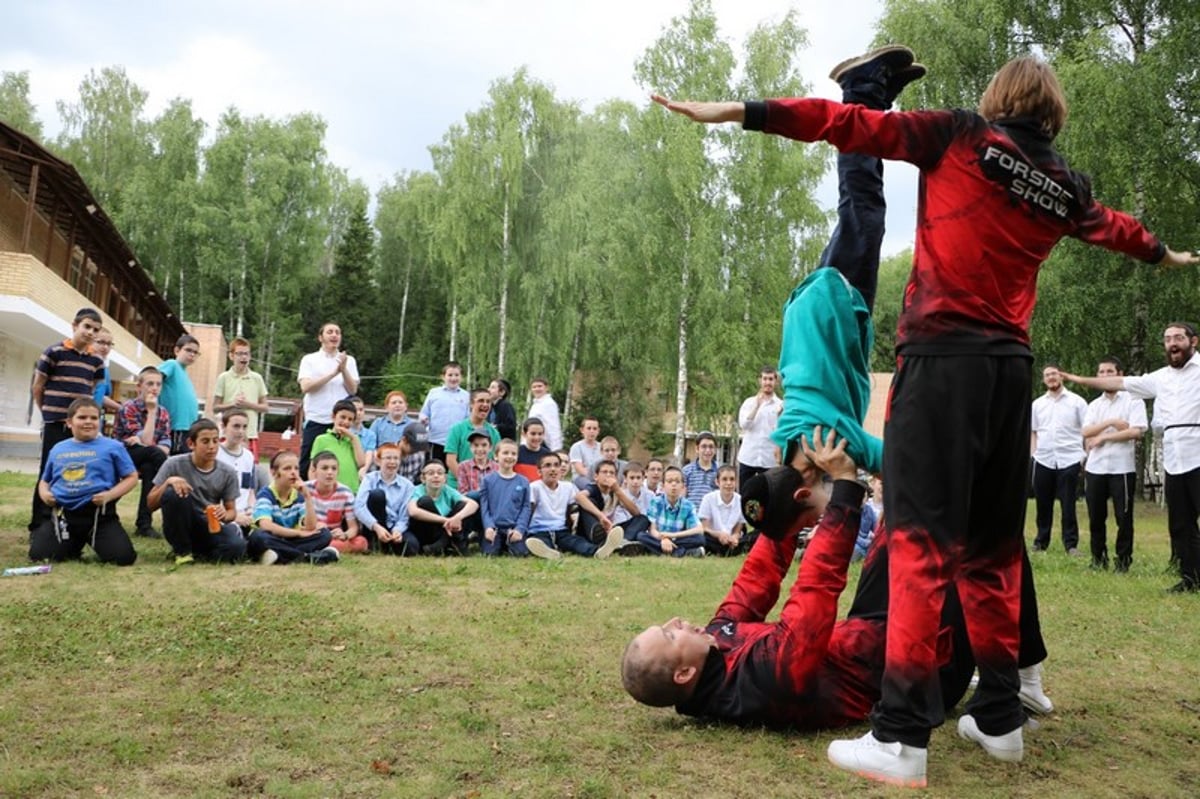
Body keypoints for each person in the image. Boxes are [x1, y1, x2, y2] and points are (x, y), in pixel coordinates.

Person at [650, 46, 1185, 785]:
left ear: (996, 100)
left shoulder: (963, 135)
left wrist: (739, 113)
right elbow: (1115, 227)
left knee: (922, 542)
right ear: (1053, 116)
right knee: (992, 547)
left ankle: (901, 736)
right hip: (1009, 370)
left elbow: (842, 126)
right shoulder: (1063, 184)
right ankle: (1001, 715)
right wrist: (1162, 254)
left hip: (942, 361)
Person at [621, 428, 1053, 757]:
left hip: (873, 629)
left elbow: (754, 581)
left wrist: (787, 501)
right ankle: (1022, 682)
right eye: (671, 635)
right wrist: (845, 491)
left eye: (667, 625)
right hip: (920, 667)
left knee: (913, 507)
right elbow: (812, 597)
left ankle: (1023, 680)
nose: (676, 622)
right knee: (981, 538)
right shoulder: (760, 683)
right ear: (683, 675)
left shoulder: (715, 643)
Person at [1062, 323, 1200, 591]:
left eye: (1179, 338)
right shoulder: (1159, 378)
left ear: (1192, 341)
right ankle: (1191, 578)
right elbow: (1117, 382)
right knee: (1181, 523)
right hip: (1174, 457)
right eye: (1168, 339)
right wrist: (1079, 380)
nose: (1173, 343)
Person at [30, 398, 138, 566]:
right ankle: (72, 544)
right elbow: (45, 481)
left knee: (123, 558)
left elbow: (131, 477)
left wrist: (109, 495)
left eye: (94, 418)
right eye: (82, 417)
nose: (88, 422)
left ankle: (90, 539)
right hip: (64, 515)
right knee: (40, 555)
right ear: (69, 422)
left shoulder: (113, 447)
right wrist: (45, 494)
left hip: (98, 515)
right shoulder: (58, 448)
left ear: (100, 421)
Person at [29, 307, 105, 531]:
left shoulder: (96, 362)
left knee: (76, 470)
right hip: (55, 423)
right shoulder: (53, 352)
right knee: (49, 471)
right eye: (87, 327)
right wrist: (47, 412)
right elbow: (38, 386)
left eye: (95, 330)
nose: (90, 332)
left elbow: (90, 391)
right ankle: (39, 524)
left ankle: (69, 521)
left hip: (80, 427)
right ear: (75, 326)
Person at [147, 418, 248, 565]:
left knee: (237, 548)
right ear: (191, 444)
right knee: (172, 492)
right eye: (205, 441)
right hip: (180, 522)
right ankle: (182, 552)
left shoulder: (228, 472)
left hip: (208, 524)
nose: (212, 447)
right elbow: (150, 504)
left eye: (215, 441)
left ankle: (199, 552)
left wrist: (225, 515)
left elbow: (232, 511)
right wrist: (168, 482)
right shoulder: (173, 464)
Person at [1079, 356, 1147, 571]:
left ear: (1120, 374)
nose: (1105, 376)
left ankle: (1123, 562)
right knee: (1096, 518)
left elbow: (1136, 431)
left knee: (1123, 518)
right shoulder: (1094, 405)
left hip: (1122, 468)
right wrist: (1111, 423)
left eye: (1110, 372)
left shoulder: (1133, 400)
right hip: (1095, 467)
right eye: (1101, 372)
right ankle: (1098, 559)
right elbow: (1085, 431)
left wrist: (1103, 437)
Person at [1030, 363, 1087, 555]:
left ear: (1061, 376)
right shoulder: (1037, 404)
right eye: (1047, 375)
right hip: (1044, 458)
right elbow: (1033, 432)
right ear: (1043, 380)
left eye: (1054, 374)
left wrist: (1083, 457)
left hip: (1070, 458)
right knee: (1042, 503)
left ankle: (1071, 544)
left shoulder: (1077, 402)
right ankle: (1040, 542)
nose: (1051, 378)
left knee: (1068, 503)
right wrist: (1033, 454)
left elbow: (1087, 430)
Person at [524, 452, 624, 561]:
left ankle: (597, 551)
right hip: (539, 530)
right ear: (539, 471)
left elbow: (576, 505)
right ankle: (550, 552)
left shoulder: (568, 487)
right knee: (541, 542)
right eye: (548, 466)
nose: (553, 469)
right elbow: (528, 510)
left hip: (561, 530)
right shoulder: (534, 487)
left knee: (577, 543)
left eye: (556, 465)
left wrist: (598, 517)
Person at [246, 450, 339, 566]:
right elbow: (266, 525)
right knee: (259, 536)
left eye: (296, 468)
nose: (293, 473)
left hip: (288, 540)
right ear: (274, 472)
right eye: (287, 469)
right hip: (273, 537)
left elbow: (311, 527)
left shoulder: (298, 495)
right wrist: (298, 533)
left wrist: (307, 497)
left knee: (324, 534)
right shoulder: (266, 494)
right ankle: (307, 557)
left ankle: (281, 555)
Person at [112, 366, 172, 538]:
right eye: (150, 384)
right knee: (155, 455)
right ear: (139, 387)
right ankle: (167, 484)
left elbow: (165, 444)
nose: (155, 388)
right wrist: (151, 412)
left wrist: (150, 444)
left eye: (158, 384)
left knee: (149, 467)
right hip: (123, 455)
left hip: (148, 458)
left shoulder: (164, 412)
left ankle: (144, 524)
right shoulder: (128, 408)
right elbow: (145, 443)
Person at [297, 321, 360, 479]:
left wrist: (343, 369)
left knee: (339, 462)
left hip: (340, 422)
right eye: (330, 332)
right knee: (308, 462)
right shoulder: (309, 359)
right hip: (317, 418)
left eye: (337, 332)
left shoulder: (349, 361)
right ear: (320, 337)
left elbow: (353, 389)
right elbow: (306, 387)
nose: (334, 335)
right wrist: (333, 373)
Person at [210, 337, 269, 459]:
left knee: (249, 471)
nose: (244, 357)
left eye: (246, 354)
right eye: (239, 354)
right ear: (231, 356)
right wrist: (233, 404)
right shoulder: (224, 377)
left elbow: (265, 407)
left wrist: (248, 404)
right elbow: (215, 407)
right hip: (227, 434)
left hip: (250, 434)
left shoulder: (257, 378)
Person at [353, 442, 415, 555]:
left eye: (396, 458)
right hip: (374, 525)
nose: (392, 462)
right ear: (378, 461)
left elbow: (405, 514)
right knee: (377, 494)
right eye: (388, 458)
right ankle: (375, 542)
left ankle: (389, 544)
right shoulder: (369, 479)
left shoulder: (408, 485)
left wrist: (398, 530)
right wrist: (376, 527)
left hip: (393, 525)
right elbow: (359, 507)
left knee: (412, 547)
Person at [406, 459, 478, 555]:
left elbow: (473, 504)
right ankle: (447, 544)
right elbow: (413, 511)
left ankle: (443, 545)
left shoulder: (448, 490)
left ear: (445, 478)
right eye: (431, 473)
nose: (436, 476)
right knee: (425, 501)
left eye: (440, 473)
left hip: (447, 530)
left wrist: (457, 517)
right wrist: (446, 521)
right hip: (425, 531)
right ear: (423, 478)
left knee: (462, 505)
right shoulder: (417, 490)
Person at [636, 465, 706, 557]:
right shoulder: (656, 502)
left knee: (700, 539)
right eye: (669, 481)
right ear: (663, 485)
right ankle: (680, 553)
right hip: (659, 538)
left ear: (682, 486)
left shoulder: (688, 505)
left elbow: (699, 529)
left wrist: (671, 535)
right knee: (641, 536)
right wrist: (663, 539)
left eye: (677, 481)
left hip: (678, 539)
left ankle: (660, 551)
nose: (673, 484)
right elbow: (652, 530)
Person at [477, 440, 532, 557]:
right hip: (494, 528)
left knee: (521, 553)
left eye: (513, 454)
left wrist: (519, 529)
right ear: (496, 456)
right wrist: (488, 527)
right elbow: (485, 508)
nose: (509, 457)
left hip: (513, 528)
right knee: (490, 554)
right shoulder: (487, 480)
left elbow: (526, 507)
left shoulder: (523, 481)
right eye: (505, 453)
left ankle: (511, 544)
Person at [575, 460, 646, 545]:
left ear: (615, 478)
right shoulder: (593, 488)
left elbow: (635, 513)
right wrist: (601, 516)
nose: (608, 475)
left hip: (611, 529)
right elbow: (579, 497)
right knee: (589, 502)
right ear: (596, 477)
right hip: (593, 528)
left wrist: (617, 490)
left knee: (643, 519)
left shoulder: (616, 491)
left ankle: (622, 542)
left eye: (612, 473)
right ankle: (602, 541)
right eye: (604, 472)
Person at [308, 450, 365, 555]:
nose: (330, 472)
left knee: (361, 542)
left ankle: (323, 549)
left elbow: (353, 527)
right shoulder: (305, 489)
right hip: (310, 533)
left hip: (334, 537)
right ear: (314, 470)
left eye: (334, 468)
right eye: (324, 468)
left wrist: (344, 535)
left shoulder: (345, 492)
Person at [737, 366, 783, 486]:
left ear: (776, 382)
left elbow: (780, 433)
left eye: (771, 379)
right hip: (748, 457)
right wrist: (756, 406)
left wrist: (780, 417)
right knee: (746, 494)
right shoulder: (749, 402)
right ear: (760, 381)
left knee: (769, 496)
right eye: (765, 379)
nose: (767, 382)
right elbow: (744, 425)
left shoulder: (781, 405)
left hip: (769, 460)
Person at [443, 388, 499, 486]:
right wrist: (466, 481)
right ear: (471, 404)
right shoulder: (457, 429)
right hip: (458, 486)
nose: (485, 404)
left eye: (488, 402)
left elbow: (497, 461)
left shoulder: (494, 433)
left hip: (485, 487)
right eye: (481, 401)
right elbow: (450, 460)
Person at [309, 399, 366, 493]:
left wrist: (354, 439)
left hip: (350, 492)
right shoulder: (321, 439)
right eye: (342, 417)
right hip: (328, 492)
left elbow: (361, 463)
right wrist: (315, 490)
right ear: (333, 417)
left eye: (350, 419)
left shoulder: (354, 440)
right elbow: (312, 469)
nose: (346, 422)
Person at [158, 334, 202, 455]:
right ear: (177, 350)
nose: (192, 354)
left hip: (187, 428)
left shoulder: (184, 373)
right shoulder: (171, 364)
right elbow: (154, 379)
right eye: (188, 350)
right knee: (176, 461)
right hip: (176, 426)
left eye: (196, 352)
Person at [214, 409, 258, 530]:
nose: (241, 432)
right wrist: (234, 516)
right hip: (222, 517)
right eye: (236, 426)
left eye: (244, 427)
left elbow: (250, 491)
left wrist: (251, 510)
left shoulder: (249, 456)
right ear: (223, 427)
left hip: (245, 516)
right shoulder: (214, 453)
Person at [419, 361, 470, 465]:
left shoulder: (466, 396)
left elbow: (468, 419)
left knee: (454, 472)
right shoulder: (434, 393)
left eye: (456, 375)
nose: (453, 378)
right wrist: (423, 419)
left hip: (457, 443)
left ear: (461, 377)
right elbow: (424, 413)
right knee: (434, 470)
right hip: (436, 440)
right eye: (450, 375)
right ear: (443, 377)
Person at [699, 465, 746, 556]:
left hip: (731, 538)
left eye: (732, 479)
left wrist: (734, 538)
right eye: (724, 479)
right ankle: (729, 550)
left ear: (736, 482)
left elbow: (738, 530)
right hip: (713, 537)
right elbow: (705, 528)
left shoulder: (741, 500)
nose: (728, 483)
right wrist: (719, 535)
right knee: (699, 538)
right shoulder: (708, 498)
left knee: (756, 536)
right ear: (717, 482)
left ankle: (729, 548)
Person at [90, 327, 122, 423]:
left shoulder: (104, 369)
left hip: (95, 419)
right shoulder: (83, 364)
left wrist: (122, 408)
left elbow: (101, 397)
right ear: (91, 341)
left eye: (109, 344)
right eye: (101, 342)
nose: (105, 347)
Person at [456, 428, 499, 496]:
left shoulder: (497, 468)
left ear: (490, 447)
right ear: (470, 447)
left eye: (484, 445)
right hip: (471, 503)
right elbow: (462, 493)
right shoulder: (463, 466)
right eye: (476, 445)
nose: (480, 449)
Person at [682, 432, 721, 506]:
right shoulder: (686, 471)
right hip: (692, 514)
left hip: (713, 515)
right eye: (704, 446)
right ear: (697, 449)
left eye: (711, 447)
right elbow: (682, 497)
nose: (708, 450)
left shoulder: (720, 471)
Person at [527, 377, 563, 451]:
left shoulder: (549, 404)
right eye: (534, 387)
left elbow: (553, 426)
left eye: (540, 386)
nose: (537, 389)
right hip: (534, 440)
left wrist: (555, 448)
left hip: (544, 443)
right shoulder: (536, 404)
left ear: (546, 388)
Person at [515, 417, 553, 483]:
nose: (537, 437)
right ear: (524, 434)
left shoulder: (548, 455)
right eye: (533, 434)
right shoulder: (516, 452)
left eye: (540, 434)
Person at [348, 395, 377, 478]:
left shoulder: (370, 434)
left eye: (361, 410)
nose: (358, 413)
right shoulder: (343, 432)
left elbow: (369, 452)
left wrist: (364, 469)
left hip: (363, 471)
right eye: (355, 410)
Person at [569, 417, 602, 488]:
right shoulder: (577, 447)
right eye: (589, 428)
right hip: (580, 478)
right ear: (582, 430)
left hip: (599, 478)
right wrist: (596, 478)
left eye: (594, 429)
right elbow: (580, 470)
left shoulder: (602, 447)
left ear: (598, 431)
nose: (592, 431)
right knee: (592, 487)